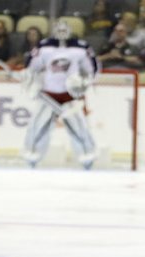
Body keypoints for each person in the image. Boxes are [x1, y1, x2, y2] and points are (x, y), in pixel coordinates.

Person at [21, 21, 99, 170]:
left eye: (65, 29)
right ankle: (32, 155)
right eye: (59, 29)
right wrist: (31, 80)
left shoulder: (81, 47)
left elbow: (91, 69)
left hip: (70, 95)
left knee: (79, 126)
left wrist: (85, 83)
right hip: (48, 94)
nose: (62, 32)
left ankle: (87, 156)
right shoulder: (44, 47)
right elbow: (31, 67)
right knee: (39, 126)